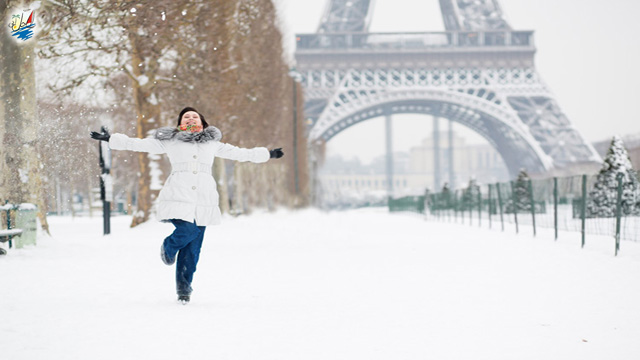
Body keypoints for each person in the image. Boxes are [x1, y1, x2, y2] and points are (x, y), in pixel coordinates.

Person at [90, 107, 284, 304]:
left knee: (193, 251)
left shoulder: (212, 143)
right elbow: (140, 144)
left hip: (203, 199)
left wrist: (267, 154)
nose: (190, 118)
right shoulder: (171, 141)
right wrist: (111, 139)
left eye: (194, 116)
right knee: (188, 231)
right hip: (178, 195)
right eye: (186, 116)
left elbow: (240, 153)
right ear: (179, 122)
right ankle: (168, 246)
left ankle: (184, 290)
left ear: (202, 121)